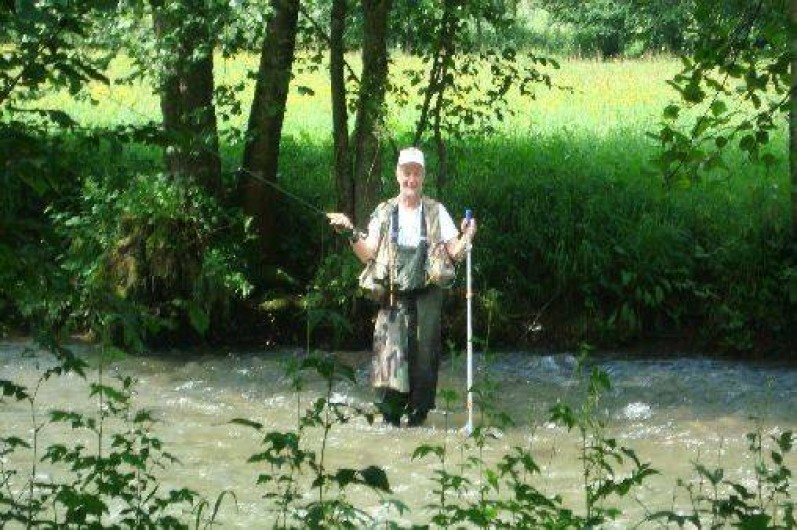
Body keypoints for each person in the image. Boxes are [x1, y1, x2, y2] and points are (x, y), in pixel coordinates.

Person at [327, 147, 476, 427]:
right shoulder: (383, 212)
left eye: (416, 173)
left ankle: (418, 416)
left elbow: (454, 252)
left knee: (424, 358)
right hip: (393, 296)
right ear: (398, 175)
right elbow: (368, 253)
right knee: (390, 358)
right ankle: (391, 418)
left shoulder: (436, 211)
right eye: (406, 173)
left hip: (428, 295)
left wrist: (467, 234)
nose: (411, 179)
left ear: (423, 177)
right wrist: (349, 231)